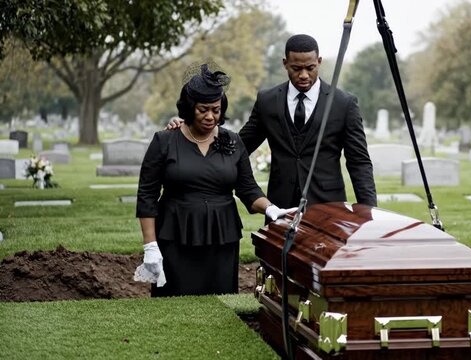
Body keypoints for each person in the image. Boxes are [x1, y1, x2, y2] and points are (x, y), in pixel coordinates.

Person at [136, 64, 294, 297]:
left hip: (222, 236)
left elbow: (247, 188)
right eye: (203, 110)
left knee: (220, 301)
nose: (210, 116)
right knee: (175, 303)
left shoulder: (232, 142)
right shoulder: (165, 141)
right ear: (190, 108)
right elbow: (147, 195)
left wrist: (270, 209)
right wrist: (150, 246)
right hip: (176, 234)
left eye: (216, 110)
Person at [168, 34, 377, 210]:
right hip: (279, 205)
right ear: (285, 63)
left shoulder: (344, 103)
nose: (304, 75)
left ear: (319, 62)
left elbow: (359, 162)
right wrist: (188, 129)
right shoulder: (267, 100)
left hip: (328, 205)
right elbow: (239, 146)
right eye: (296, 68)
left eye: (310, 68)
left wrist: (369, 212)